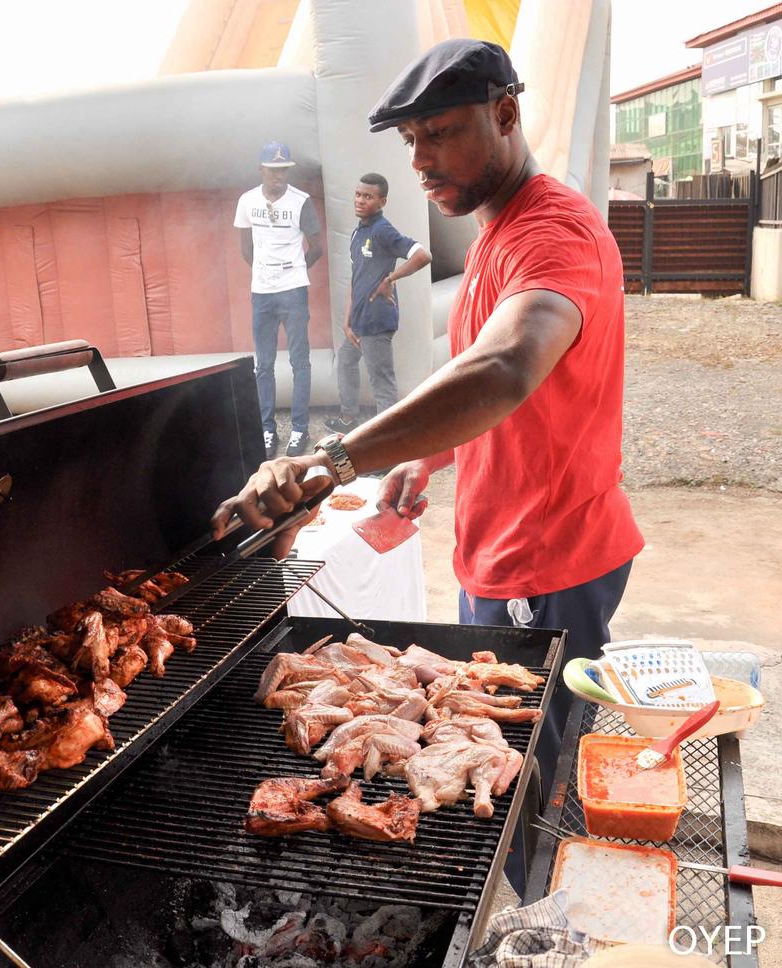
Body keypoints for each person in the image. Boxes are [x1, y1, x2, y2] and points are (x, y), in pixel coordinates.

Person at [213, 40, 644, 893]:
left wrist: (335, 458)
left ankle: (537, 920)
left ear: (506, 115)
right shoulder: (496, 232)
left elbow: (505, 368)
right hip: (502, 551)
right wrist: (429, 453)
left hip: (550, 560)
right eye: (411, 141)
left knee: (527, 787)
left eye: (440, 134)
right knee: (482, 751)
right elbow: (500, 388)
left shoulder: (553, 233)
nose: (419, 162)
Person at [235, 142, 324, 459]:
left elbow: (317, 247)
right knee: (264, 364)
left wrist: (295, 270)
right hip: (262, 291)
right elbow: (246, 249)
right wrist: (266, 272)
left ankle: (300, 428)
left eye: (284, 169)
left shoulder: (301, 201)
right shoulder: (247, 200)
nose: (279, 176)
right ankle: (267, 429)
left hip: (294, 288)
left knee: (300, 360)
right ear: (261, 169)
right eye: (274, 170)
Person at [324, 174, 431, 434]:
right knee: (346, 362)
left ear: (382, 202)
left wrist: (391, 279)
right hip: (358, 321)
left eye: (368, 197)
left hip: (377, 320)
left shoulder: (383, 230)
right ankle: (348, 418)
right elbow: (356, 279)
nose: (360, 200)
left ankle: (387, 440)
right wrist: (347, 321)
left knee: (381, 383)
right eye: (358, 194)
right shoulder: (357, 233)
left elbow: (423, 255)